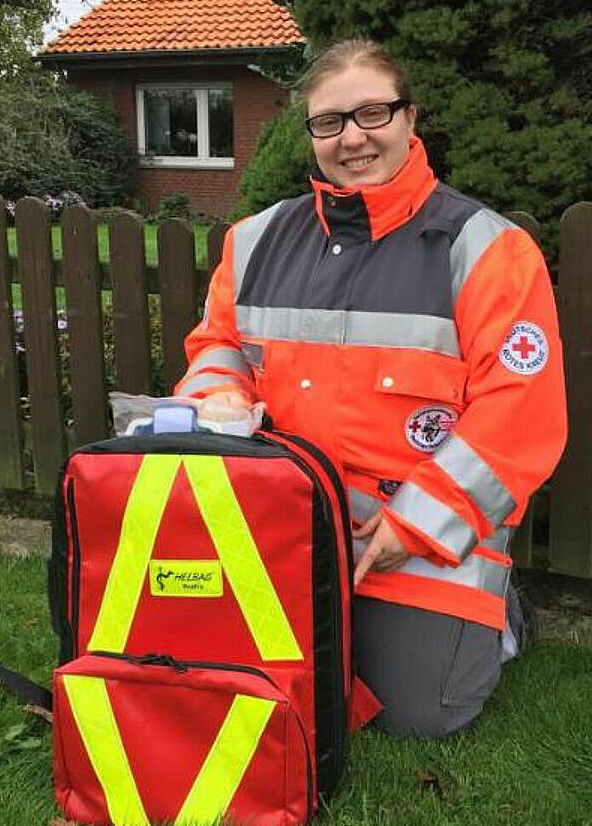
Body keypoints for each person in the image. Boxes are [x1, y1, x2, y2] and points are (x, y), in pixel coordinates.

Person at [175, 39, 567, 738]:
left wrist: (415, 524)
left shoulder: (487, 249)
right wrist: (218, 394)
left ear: (409, 117)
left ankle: (502, 611)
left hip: (415, 532)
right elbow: (217, 345)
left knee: (418, 713)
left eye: (372, 113)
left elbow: (520, 413)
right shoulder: (254, 240)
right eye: (329, 122)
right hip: (281, 521)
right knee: (230, 658)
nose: (351, 138)